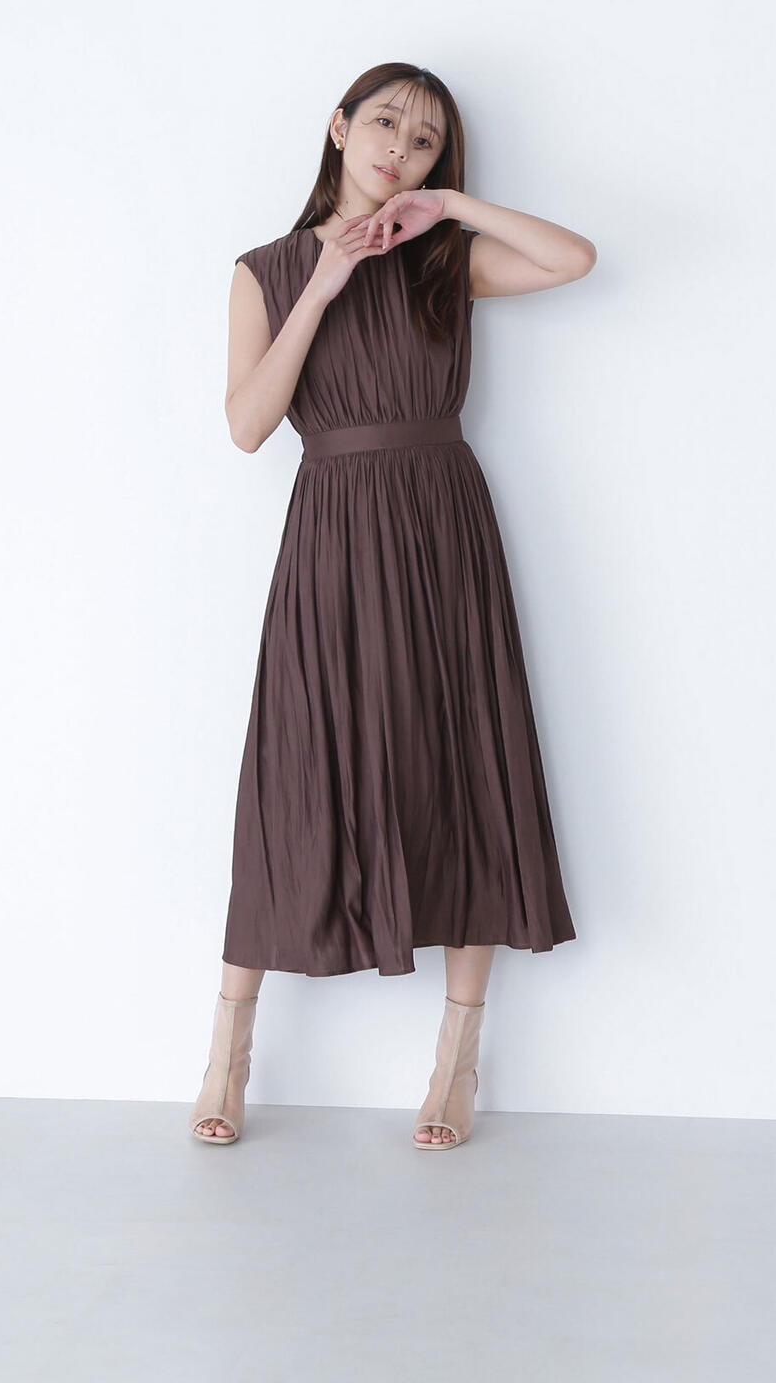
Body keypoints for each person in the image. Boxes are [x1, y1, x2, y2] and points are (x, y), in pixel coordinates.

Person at [189, 62, 593, 1151]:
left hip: (441, 526)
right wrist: (323, 281)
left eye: (423, 143)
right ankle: (226, 1051)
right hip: (332, 526)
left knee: (466, 761)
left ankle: (455, 1061)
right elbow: (247, 426)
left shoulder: (442, 260)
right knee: (296, 766)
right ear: (337, 128)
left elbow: (573, 259)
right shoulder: (265, 270)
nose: (397, 152)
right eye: (382, 125)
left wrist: (449, 206)